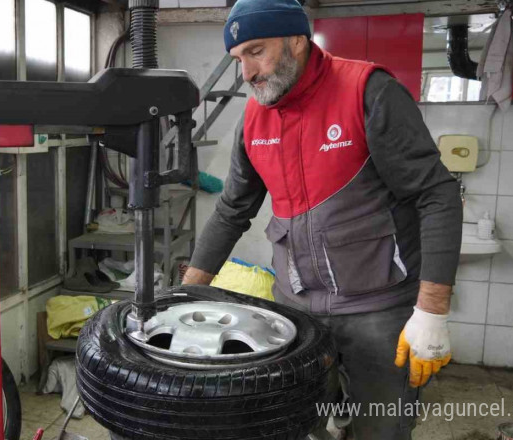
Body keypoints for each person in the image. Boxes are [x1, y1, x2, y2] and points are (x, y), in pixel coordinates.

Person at [181, 0, 462, 438]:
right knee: (301, 424)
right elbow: (233, 209)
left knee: (381, 431)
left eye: (256, 51)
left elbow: (437, 194)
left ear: (296, 40)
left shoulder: (368, 91)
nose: (248, 74)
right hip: (295, 311)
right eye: (239, 60)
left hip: (378, 310)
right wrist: (188, 291)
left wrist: (431, 310)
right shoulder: (254, 118)